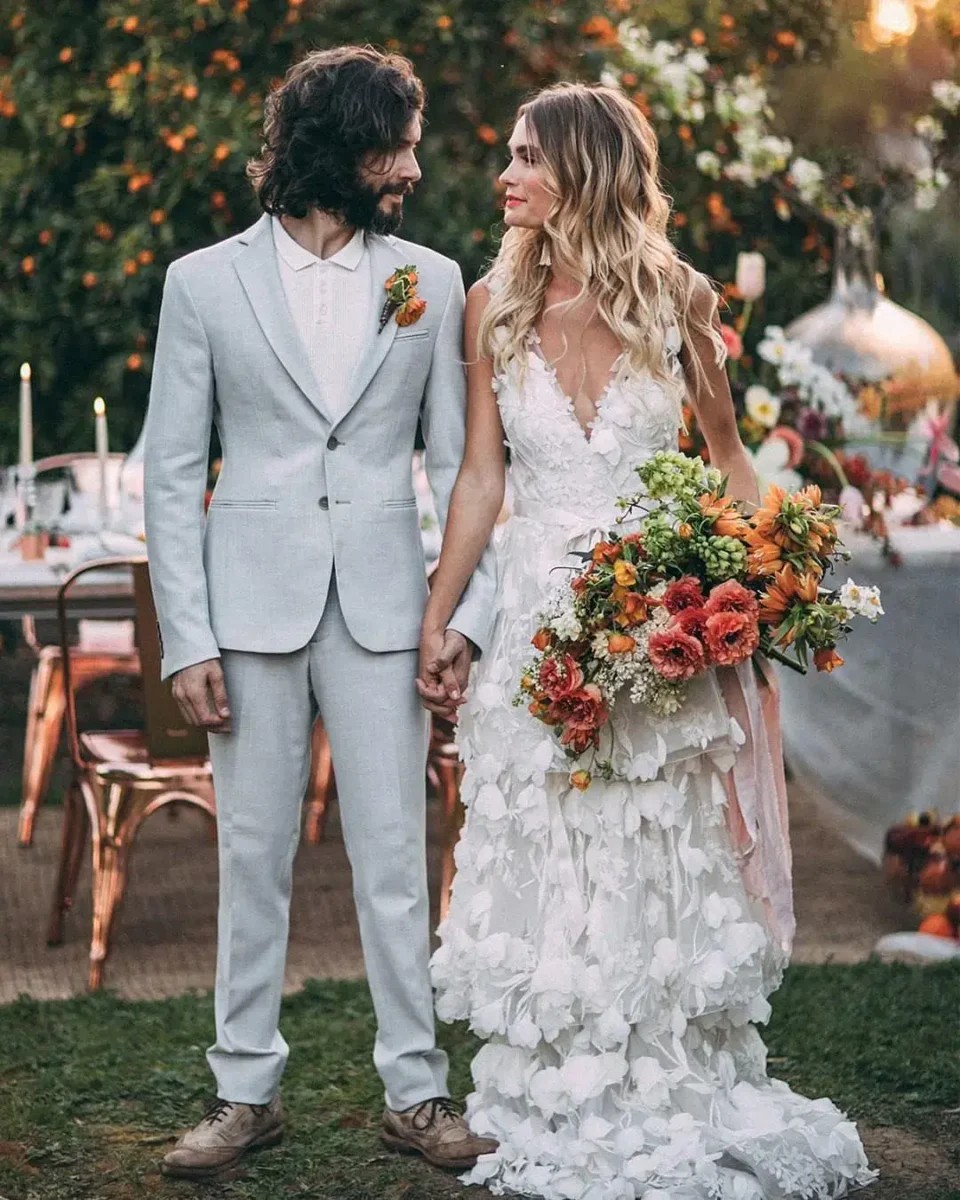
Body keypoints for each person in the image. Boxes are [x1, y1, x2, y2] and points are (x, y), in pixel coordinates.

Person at [419, 83, 876, 1199]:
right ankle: (557, 1079)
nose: (506, 177)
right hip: (536, 616)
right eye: (509, 155)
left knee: (657, 835)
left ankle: (664, 1070)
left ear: (585, 169)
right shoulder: (490, 305)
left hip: (655, 610)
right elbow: (484, 475)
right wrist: (440, 613)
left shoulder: (677, 298)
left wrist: (769, 573)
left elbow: (724, 458)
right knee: (553, 836)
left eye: (528, 157)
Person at [144, 45, 496, 1182]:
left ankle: (418, 1091)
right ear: (342, 145)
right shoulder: (201, 283)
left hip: (390, 609)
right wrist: (185, 635)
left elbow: (462, 468)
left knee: (395, 855)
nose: (413, 164)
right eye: (397, 141)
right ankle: (245, 1092)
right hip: (248, 613)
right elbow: (168, 468)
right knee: (253, 857)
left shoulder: (432, 281)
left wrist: (462, 613)